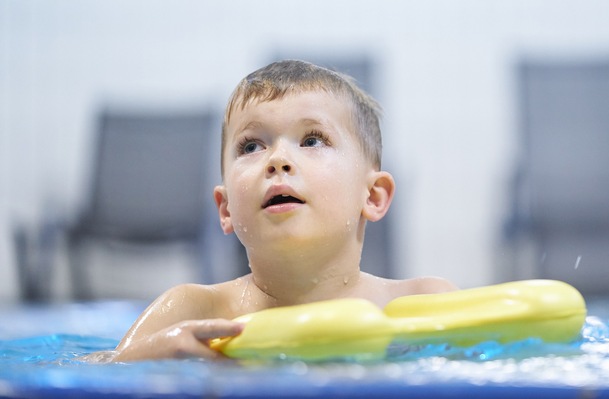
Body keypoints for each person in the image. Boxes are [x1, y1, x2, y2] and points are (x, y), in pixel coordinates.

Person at [95, 60, 457, 362]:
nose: (278, 160)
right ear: (226, 210)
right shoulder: (192, 310)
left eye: (312, 140)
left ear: (374, 196)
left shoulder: (422, 304)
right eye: (251, 145)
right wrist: (152, 354)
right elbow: (93, 374)